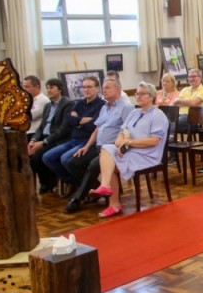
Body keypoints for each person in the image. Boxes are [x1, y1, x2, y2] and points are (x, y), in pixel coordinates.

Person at [89, 82, 169, 218]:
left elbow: (154, 141)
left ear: (151, 96)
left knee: (111, 166)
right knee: (107, 148)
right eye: (136, 93)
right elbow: (122, 131)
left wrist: (129, 143)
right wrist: (120, 142)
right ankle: (106, 188)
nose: (137, 96)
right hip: (131, 149)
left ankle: (112, 200)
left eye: (141, 94)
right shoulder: (134, 112)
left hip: (147, 154)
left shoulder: (158, 115)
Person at [61, 78, 133, 213]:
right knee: (72, 162)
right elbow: (97, 129)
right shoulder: (105, 107)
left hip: (111, 149)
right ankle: (95, 187)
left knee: (93, 166)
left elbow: (127, 131)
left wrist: (116, 146)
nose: (104, 90)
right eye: (103, 88)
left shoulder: (126, 107)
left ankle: (77, 199)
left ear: (118, 90)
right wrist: (86, 147)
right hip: (97, 146)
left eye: (107, 88)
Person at [41, 76, 105, 192]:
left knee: (65, 159)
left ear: (97, 89)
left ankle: (91, 187)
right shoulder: (79, 103)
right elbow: (69, 119)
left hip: (87, 140)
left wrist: (78, 121)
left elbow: (93, 126)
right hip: (73, 139)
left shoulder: (102, 105)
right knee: (47, 157)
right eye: (84, 87)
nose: (86, 90)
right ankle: (76, 184)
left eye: (89, 87)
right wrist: (83, 120)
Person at [28, 78, 73, 193]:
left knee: (38, 158)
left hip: (58, 139)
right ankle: (47, 182)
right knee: (29, 155)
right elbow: (41, 126)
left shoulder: (67, 104)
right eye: (47, 88)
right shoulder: (48, 105)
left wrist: (44, 142)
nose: (49, 90)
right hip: (45, 137)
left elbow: (64, 129)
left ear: (60, 90)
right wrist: (34, 139)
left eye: (52, 87)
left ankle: (48, 183)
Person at [22, 75, 50, 140]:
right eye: (23, 86)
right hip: (25, 132)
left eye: (27, 87)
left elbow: (29, 116)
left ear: (37, 87)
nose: (23, 89)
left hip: (35, 134)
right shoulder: (26, 100)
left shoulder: (43, 101)